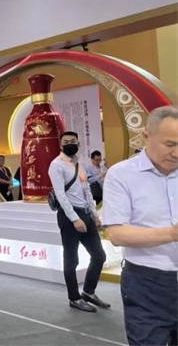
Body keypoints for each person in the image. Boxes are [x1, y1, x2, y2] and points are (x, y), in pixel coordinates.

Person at [102, 106, 178, 346]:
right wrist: (172, 234)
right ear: (146, 136)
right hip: (147, 284)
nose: (176, 153)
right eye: (170, 144)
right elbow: (117, 234)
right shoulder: (122, 175)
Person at [49, 131, 109, 312]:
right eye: (66, 141)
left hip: (86, 214)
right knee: (71, 259)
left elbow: (86, 190)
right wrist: (74, 219)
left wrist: (94, 214)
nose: (70, 143)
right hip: (69, 216)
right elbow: (60, 195)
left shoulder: (79, 164)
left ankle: (88, 292)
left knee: (99, 256)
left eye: (73, 141)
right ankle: (74, 298)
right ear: (61, 145)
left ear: (78, 143)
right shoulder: (56, 165)